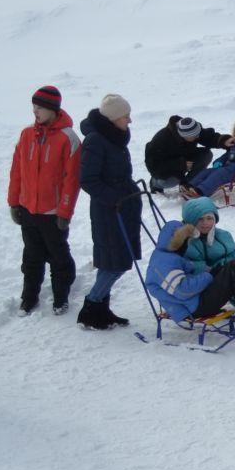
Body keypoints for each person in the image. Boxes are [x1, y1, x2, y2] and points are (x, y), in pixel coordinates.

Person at [7, 83, 80, 315]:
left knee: (59, 257)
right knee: (31, 256)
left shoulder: (68, 138)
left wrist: (65, 212)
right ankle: (29, 298)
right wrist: (14, 202)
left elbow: (72, 180)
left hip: (53, 213)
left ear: (52, 109)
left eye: (39, 107)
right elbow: (16, 171)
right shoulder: (27, 134)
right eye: (33, 107)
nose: (35, 112)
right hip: (29, 209)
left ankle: (61, 298)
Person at [76, 95, 139, 331]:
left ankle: (101, 309)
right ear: (113, 118)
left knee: (113, 261)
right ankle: (91, 307)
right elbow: (88, 180)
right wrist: (116, 198)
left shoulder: (115, 137)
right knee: (116, 263)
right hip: (109, 211)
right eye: (125, 116)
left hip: (123, 207)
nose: (129, 120)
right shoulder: (95, 140)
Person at [145, 207, 235, 327]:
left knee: (233, 269)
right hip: (193, 308)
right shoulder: (164, 262)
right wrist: (210, 276)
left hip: (196, 301)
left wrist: (214, 272)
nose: (187, 245)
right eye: (185, 241)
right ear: (177, 242)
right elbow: (183, 291)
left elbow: (191, 270)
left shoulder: (170, 256)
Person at [145, 115, 228, 193]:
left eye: (198, 134)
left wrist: (223, 140)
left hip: (185, 157)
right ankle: (154, 183)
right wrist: (180, 164)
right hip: (168, 166)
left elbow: (207, 136)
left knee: (206, 155)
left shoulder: (192, 128)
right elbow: (153, 165)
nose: (198, 137)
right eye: (194, 136)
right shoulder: (161, 139)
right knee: (171, 182)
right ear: (183, 136)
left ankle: (187, 184)